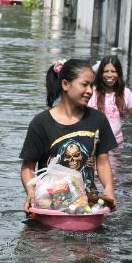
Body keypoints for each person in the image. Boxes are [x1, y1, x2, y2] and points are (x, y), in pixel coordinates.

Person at [20, 59, 117, 214]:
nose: (90, 91)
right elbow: (28, 167)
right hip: (50, 206)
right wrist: (31, 194)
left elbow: (103, 161)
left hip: (88, 206)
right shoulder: (41, 123)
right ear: (65, 84)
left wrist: (109, 191)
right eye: (84, 84)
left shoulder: (98, 120)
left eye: (92, 85)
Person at [88, 55, 132, 145]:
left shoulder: (125, 93)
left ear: (119, 74)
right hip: (93, 145)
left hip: (116, 146)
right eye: (106, 71)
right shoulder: (91, 92)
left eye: (113, 71)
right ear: (100, 74)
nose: (109, 75)